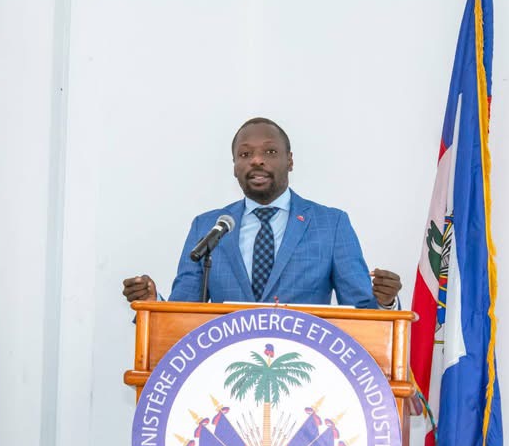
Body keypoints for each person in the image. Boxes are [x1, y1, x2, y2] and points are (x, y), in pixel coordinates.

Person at [123, 117, 401, 308]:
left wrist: (385, 301)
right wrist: (151, 304)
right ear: (234, 167)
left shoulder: (331, 224)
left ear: (290, 161)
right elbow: (182, 311)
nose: (256, 160)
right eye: (245, 155)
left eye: (270, 152)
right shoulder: (208, 227)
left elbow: (362, 309)